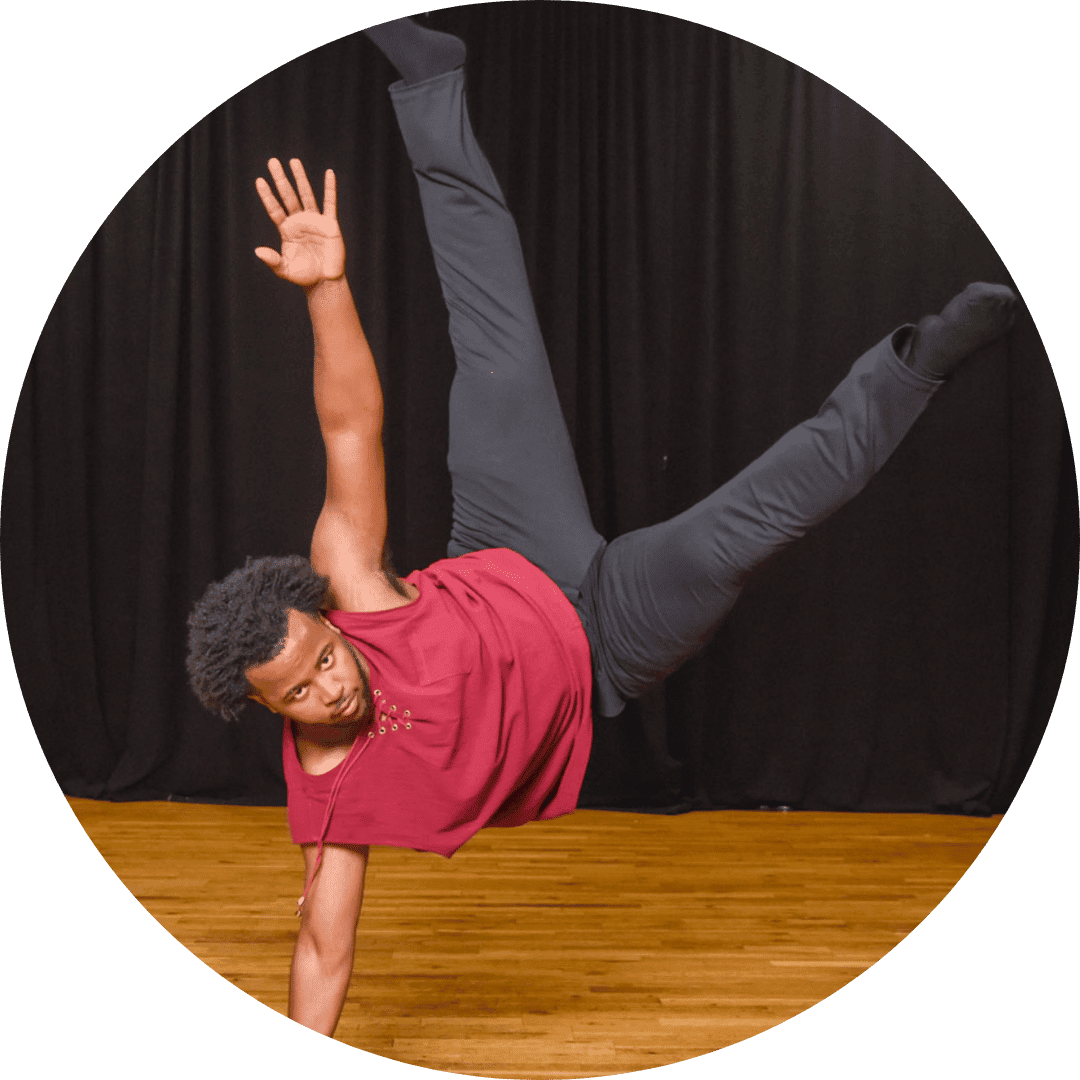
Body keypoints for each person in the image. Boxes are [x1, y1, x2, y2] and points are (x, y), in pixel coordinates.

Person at [185, 18, 1017, 1036]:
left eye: (320, 656)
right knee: (753, 524)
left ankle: (433, 92)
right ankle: (916, 366)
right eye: (303, 695)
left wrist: (328, 290)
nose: (331, 682)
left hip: (509, 541)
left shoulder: (349, 587)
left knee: (495, 344)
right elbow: (324, 948)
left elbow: (349, 422)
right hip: (607, 644)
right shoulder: (328, 801)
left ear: (321, 620)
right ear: (276, 716)